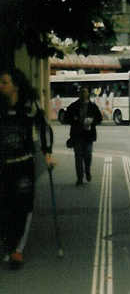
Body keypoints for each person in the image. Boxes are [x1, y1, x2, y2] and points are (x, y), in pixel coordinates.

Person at [0, 66, 54, 269]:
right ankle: (9, 243)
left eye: (5, 82)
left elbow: (44, 129)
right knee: (5, 207)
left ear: (15, 85)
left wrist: (47, 154)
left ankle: (17, 251)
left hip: (23, 164)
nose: (1, 86)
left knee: (23, 207)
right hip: (4, 165)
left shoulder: (30, 106)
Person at [67, 86, 102, 185]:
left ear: (88, 94)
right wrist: (74, 120)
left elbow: (99, 118)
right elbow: (66, 117)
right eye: (82, 92)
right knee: (78, 157)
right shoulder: (73, 106)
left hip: (88, 136)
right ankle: (79, 178)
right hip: (77, 136)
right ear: (79, 94)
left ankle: (87, 171)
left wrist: (92, 121)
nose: (83, 94)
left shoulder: (92, 106)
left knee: (88, 156)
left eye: (85, 92)